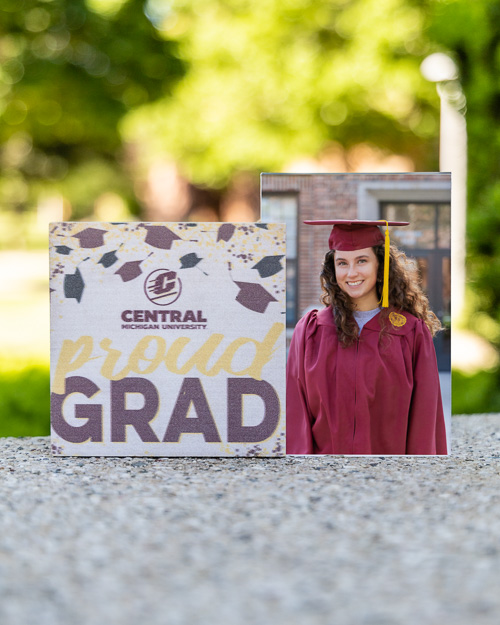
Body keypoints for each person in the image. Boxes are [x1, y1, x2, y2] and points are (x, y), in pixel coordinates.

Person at [286, 219, 448, 455]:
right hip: (322, 477)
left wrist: (418, 478)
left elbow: (425, 416)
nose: (351, 273)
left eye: (362, 261)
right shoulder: (311, 330)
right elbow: (295, 413)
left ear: (380, 266)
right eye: (342, 263)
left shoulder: (410, 332)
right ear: (333, 270)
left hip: (388, 478)